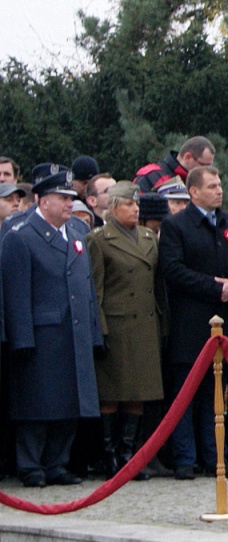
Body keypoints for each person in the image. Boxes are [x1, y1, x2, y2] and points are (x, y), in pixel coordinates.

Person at [2, 171, 104, 487]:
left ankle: (57, 463)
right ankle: (31, 466)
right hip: (42, 334)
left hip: (74, 333)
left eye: (70, 199)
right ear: (43, 201)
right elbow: (16, 293)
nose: (69, 204)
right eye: (63, 199)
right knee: (37, 406)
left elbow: (86, 289)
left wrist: (94, 332)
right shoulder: (21, 236)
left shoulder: (75, 233)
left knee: (71, 403)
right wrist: (21, 339)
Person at [158, 165, 228, 480]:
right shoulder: (176, 225)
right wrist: (214, 287)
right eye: (212, 186)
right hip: (191, 324)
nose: (219, 190)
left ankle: (217, 456)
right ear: (194, 192)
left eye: (219, 185)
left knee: (218, 393)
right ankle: (186, 458)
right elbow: (173, 270)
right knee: (187, 393)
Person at [86, 181, 165, 480]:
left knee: (138, 394)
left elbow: (157, 287)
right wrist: (100, 329)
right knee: (112, 395)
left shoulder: (148, 238)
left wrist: (162, 325)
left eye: (137, 205)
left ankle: (129, 452)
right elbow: (97, 289)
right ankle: (109, 454)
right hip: (116, 325)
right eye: (129, 204)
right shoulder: (99, 239)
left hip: (144, 324)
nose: (135, 209)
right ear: (113, 207)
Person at [133, 136, 215, 193]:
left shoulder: (200, 182)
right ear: (187, 157)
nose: (207, 171)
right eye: (203, 166)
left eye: (210, 166)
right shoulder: (151, 176)